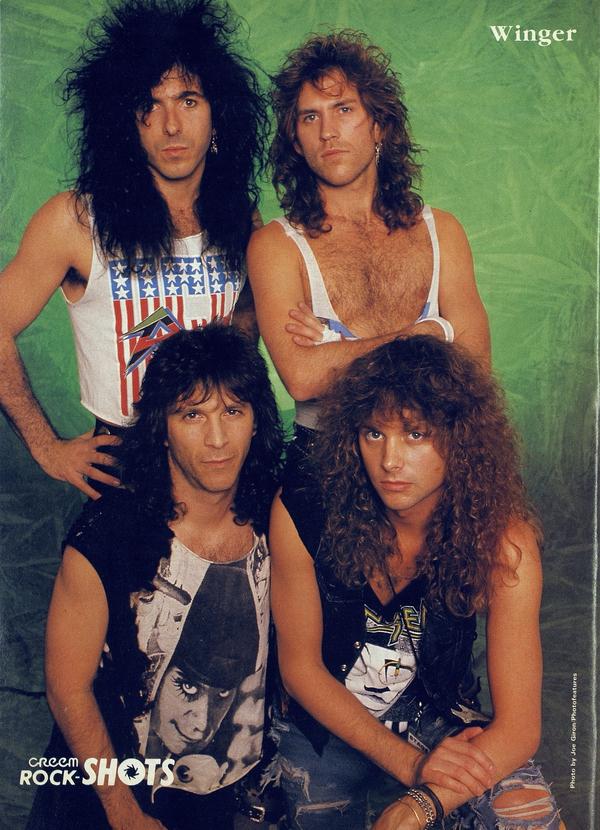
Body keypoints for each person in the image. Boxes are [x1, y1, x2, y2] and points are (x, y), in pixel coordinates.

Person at [269, 335, 560, 829]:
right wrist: (412, 767)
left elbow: (518, 728)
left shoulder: (502, 540)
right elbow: (300, 669)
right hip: (324, 721)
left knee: (526, 813)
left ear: (460, 440)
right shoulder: (302, 510)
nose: (390, 461)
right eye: (373, 433)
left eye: (416, 434)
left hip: (436, 713)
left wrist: (420, 803)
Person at [0, 0, 268, 499]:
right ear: (125, 120)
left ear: (218, 116)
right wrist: (46, 447)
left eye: (188, 100)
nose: (171, 125)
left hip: (221, 460)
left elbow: (245, 327)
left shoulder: (240, 218)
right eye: (150, 105)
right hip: (126, 464)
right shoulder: (75, 220)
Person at [27, 324, 284, 830]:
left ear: (257, 422)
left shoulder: (274, 518)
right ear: (161, 428)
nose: (217, 438)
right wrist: (123, 811)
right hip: (113, 798)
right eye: (193, 415)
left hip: (223, 800)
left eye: (233, 411)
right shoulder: (109, 534)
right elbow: (67, 689)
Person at [248, 31, 490, 485]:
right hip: (324, 465)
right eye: (310, 117)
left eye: (344, 109)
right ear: (296, 141)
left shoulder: (443, 232)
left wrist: (334, 350)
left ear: (379, 125)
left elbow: (474, 370)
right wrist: (429, 333)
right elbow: (301, 377)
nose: (328, 131)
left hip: (431, 463)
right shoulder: (276, 246)